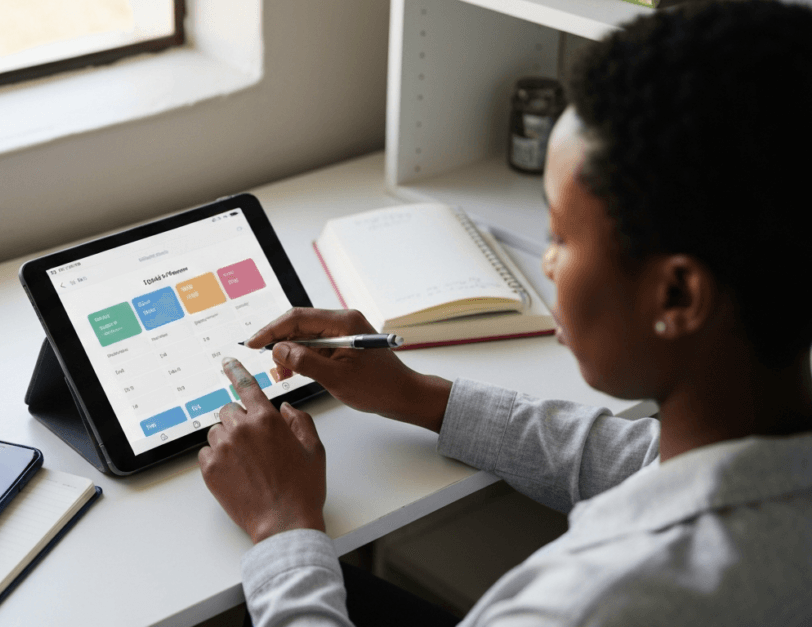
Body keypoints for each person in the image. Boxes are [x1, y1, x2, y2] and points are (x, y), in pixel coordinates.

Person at [197, 1, 812, 625]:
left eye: (562, 237)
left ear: (677, 297)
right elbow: (639, 458)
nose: (545, 263)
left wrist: (282, 526)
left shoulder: (589, 602)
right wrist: (420, 396)